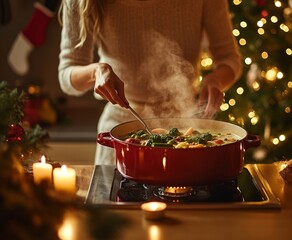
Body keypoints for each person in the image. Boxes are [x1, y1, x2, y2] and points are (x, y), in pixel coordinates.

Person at [58, 0, 242, 165]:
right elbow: (67, 75)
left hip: (186, 124)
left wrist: (215, 79)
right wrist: (96, 71)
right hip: (121, 130)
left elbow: (229, 59)